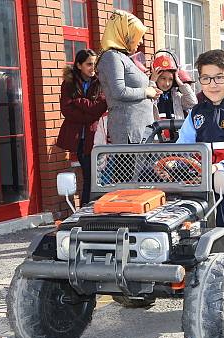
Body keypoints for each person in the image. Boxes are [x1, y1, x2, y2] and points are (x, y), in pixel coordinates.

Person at [176, 50, 224, 227]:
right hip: (197, 173)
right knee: (151, 174)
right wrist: (172, 163)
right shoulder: (196, 113)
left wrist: (216, 167)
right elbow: (182, 147)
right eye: (206, 78)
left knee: (217, 179)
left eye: (219, 78)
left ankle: (216, 233)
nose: (212, 84)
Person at [97, 10, 160, 144]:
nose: (141, 41)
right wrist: (146, 92)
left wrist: (151, 91)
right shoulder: (111, 57)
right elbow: (119, 91)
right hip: (129, 132)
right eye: (138, 35)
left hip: (140, 130)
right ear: (125, 33)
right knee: (132, 166)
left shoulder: (122, 57)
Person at [57, 49, 107, 206]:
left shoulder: (100, 81)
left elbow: (99, 108)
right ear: (79, 65)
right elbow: (67, 110)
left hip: (96, 136)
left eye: (94, 64)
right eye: (89, 64)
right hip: (78, 138)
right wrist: (88, 113)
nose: (93, 68)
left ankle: (94, 207)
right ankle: (86, 209)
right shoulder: (69, 83)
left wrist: (78, 102)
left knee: (96, 176)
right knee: (88, 175)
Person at [150, 53, 197, 119]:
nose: (167, 83)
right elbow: (146, 103)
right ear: (156, 78)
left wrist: (179, 82)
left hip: (176, 129)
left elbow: (192, 102)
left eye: (171, 79)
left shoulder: (177, 97)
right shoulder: (149, 95)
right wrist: (152, 82)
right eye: (163, 78)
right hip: (157, 129)